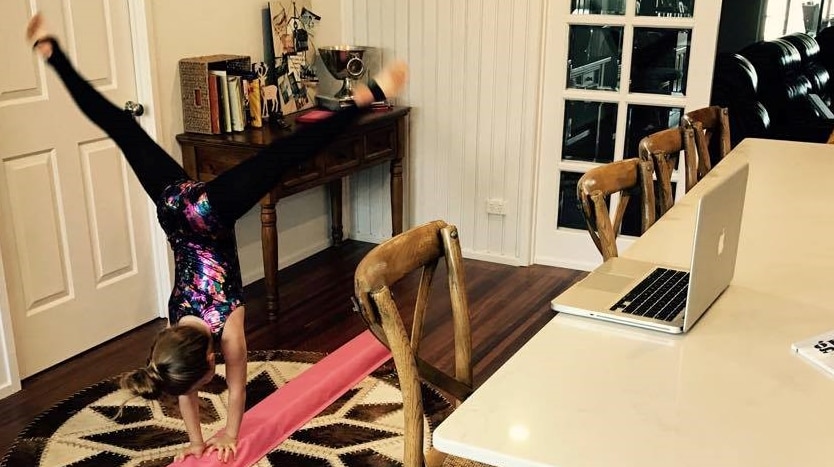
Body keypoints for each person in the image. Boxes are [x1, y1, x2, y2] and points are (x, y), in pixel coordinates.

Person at [25, 13, 407, 464]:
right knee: (123, 129)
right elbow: (185, 386)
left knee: (286, 152)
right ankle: (53, 53)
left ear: (210, 363)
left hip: (207, 212)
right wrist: (200, 440)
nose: (212, 378)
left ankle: (366, 96)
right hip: (172, 207)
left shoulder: (229, 328)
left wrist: (228, 429)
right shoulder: (172, 341)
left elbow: (238, 381)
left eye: (208, 377)